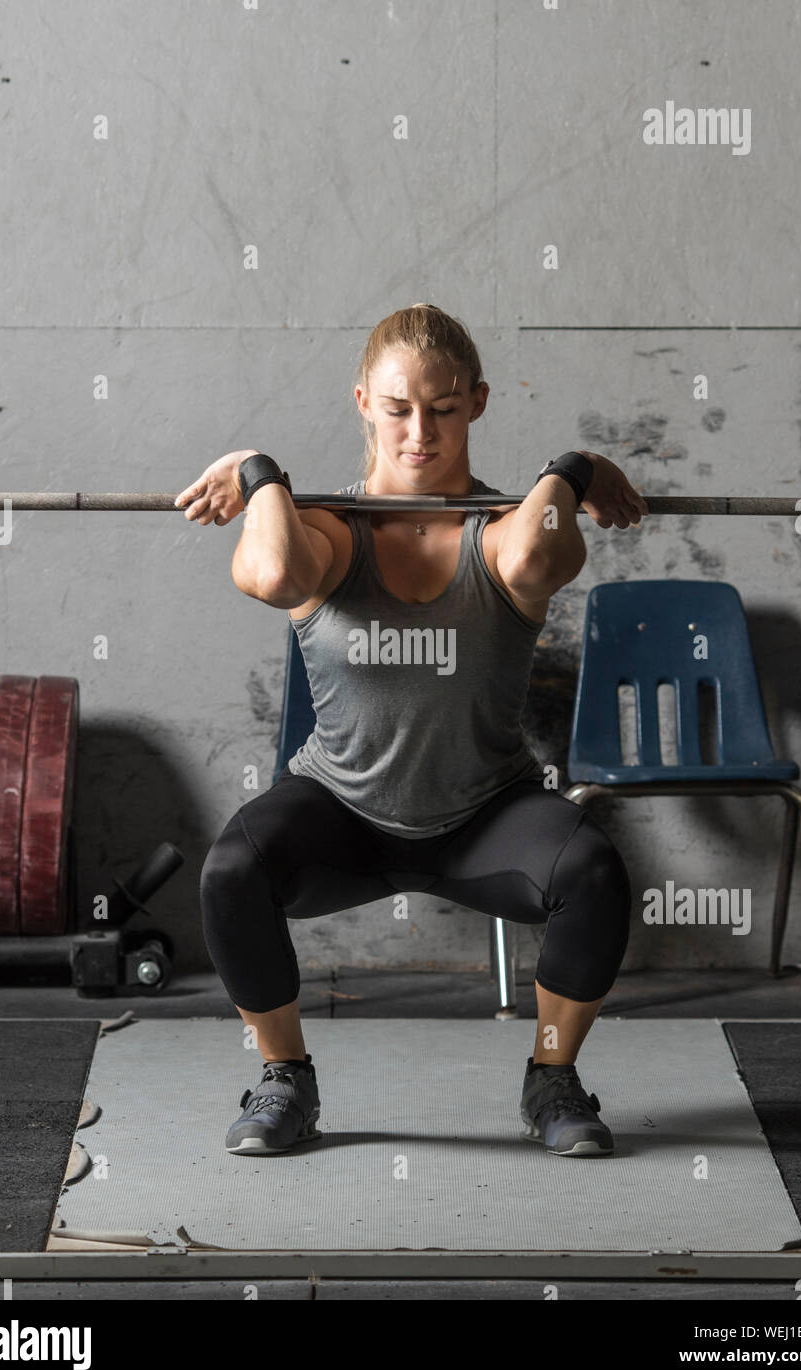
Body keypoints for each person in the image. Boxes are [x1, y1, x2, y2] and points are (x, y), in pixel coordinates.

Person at [175, 303, 648, 1159]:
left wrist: (571, 470)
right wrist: (260, 472)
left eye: (443, 406)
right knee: (232, 871)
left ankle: (552, 1076)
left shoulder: (503, 535)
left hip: (485, 816)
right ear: (363, 402)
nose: (419, 430)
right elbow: (273, 570)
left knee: (594, 871)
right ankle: (284, 1077)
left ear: (477, 402)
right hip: (340, 811)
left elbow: (546, 556)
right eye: (397, 408)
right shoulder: (324, 532)